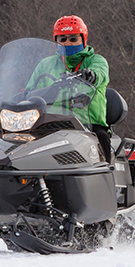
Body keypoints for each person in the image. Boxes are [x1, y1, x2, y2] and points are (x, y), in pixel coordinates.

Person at [26, 15, 111, 160]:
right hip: (51, 123)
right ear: (55, 41)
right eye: (62, 39)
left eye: (73, 39)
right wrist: (23, 97)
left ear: (83, 38)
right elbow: (31, 91)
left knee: (101, 138)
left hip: (87, 125)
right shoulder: (46, 64)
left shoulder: (95, 61)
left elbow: (100, 73)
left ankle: (107, 174)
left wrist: (91, 75)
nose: (67, 43)